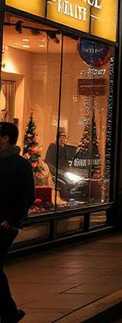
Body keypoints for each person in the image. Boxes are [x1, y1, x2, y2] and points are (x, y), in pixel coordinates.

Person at [0, 121, 34, 323]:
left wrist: (10, 221)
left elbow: (27, 196)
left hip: (6, 225)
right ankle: (9, 312)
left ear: (5, 138)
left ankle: (10, 313)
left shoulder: (19, 164)